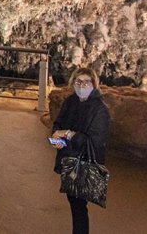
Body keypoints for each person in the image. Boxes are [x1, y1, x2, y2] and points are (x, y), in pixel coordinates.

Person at [51, 67, 111, 234]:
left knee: (78, 204)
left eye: (86, 82)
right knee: (74, 201)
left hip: (85, 162)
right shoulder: (70, 102)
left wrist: (70, 135)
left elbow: (96, 142)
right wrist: (56, 140)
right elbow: (58, 125)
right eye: (78, 82)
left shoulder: (100, 109)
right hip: (69, 159)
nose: (82, 85)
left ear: (94, 84)